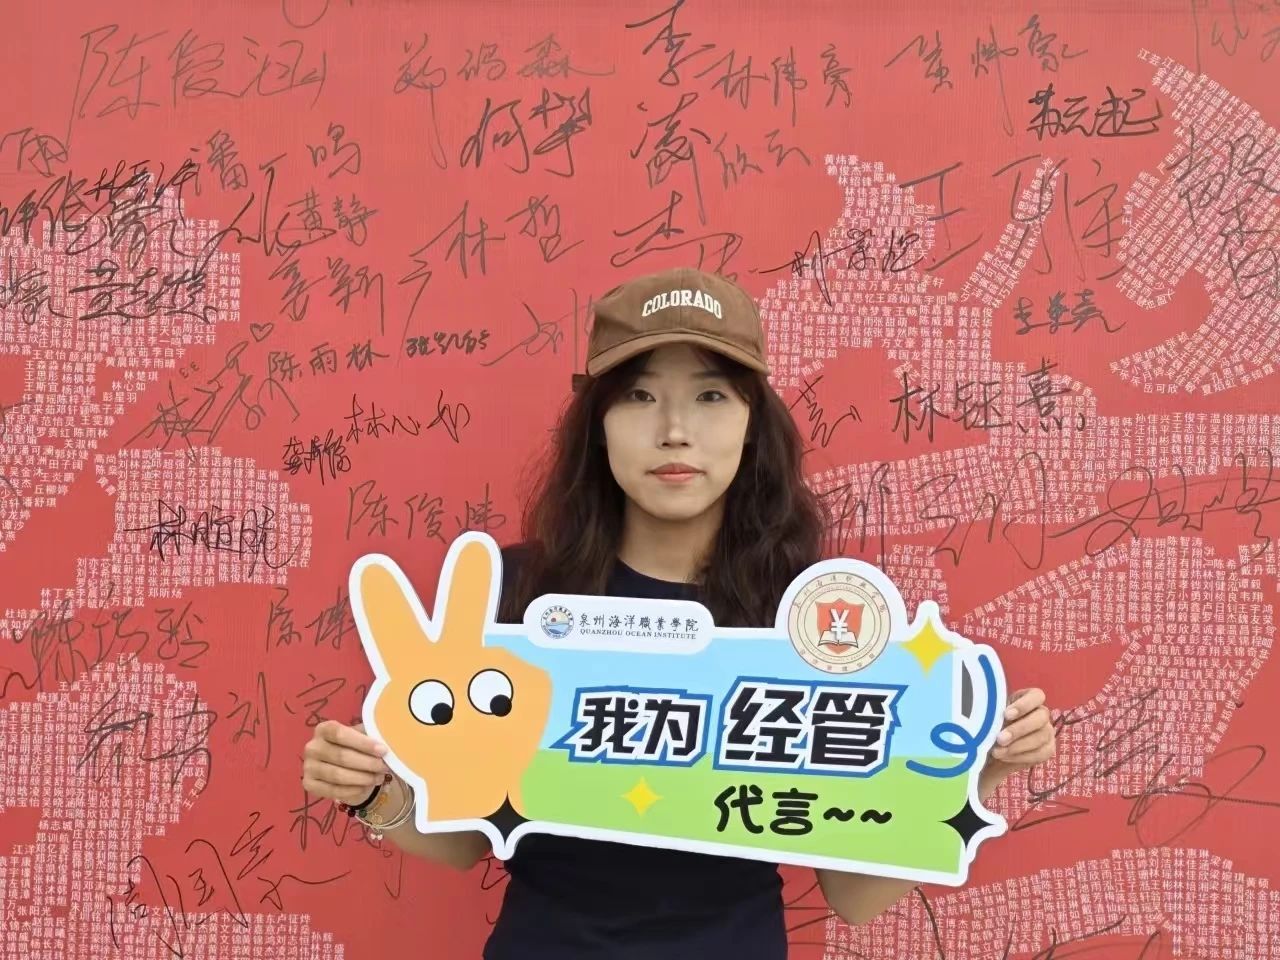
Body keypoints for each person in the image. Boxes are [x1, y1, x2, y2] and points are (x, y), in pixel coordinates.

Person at [301, 266, 1058, 958]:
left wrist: (981, 766)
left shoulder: (815, 618)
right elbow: (470, 837)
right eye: (638, 396)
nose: (673, 429)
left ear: (753, 422)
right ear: (597, 423)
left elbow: (854, 895)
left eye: (710, 395)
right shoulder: (520, 594)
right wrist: (372, 791)